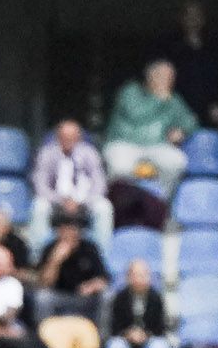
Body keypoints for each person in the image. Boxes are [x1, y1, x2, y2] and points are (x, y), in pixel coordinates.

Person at [104, 60, 196, 195]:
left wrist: (182, 131)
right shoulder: (130, 91)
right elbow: (136, 114)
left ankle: (159, 201)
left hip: (157, 145)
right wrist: (159, 99)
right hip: (125, 144)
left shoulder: (173, 99)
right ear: (150, 77)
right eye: (161, 76)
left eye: (170, 78)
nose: (166, 81)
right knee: (120, 168)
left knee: (176, 162)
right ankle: (120, 205)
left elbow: (191, 121)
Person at [32, 119, 111, 235]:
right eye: (65, 137)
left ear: (79, 138)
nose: (68, 140)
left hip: (84, 201)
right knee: (39, 207)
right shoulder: (47, 154)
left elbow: (99, 184)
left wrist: (80, 201)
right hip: (55, 202)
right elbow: (40, 185)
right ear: (58, 138)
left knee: (104, 208)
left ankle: (101, 252)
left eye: (72, 137)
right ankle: (38, 251)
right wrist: (61, 200)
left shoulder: (90, 153)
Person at [35, 213, 112, 324]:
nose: (69, 233)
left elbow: (104, 279)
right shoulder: (50, 248)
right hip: (59, 296)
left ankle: (101, 337)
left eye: (73, 229)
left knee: (107, 296)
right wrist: (55, 262)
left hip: (85, 298)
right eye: (64, 229)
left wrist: (91, 286)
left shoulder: (90, 248)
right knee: (42, 298)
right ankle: (43, 336)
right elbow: (43, 283)